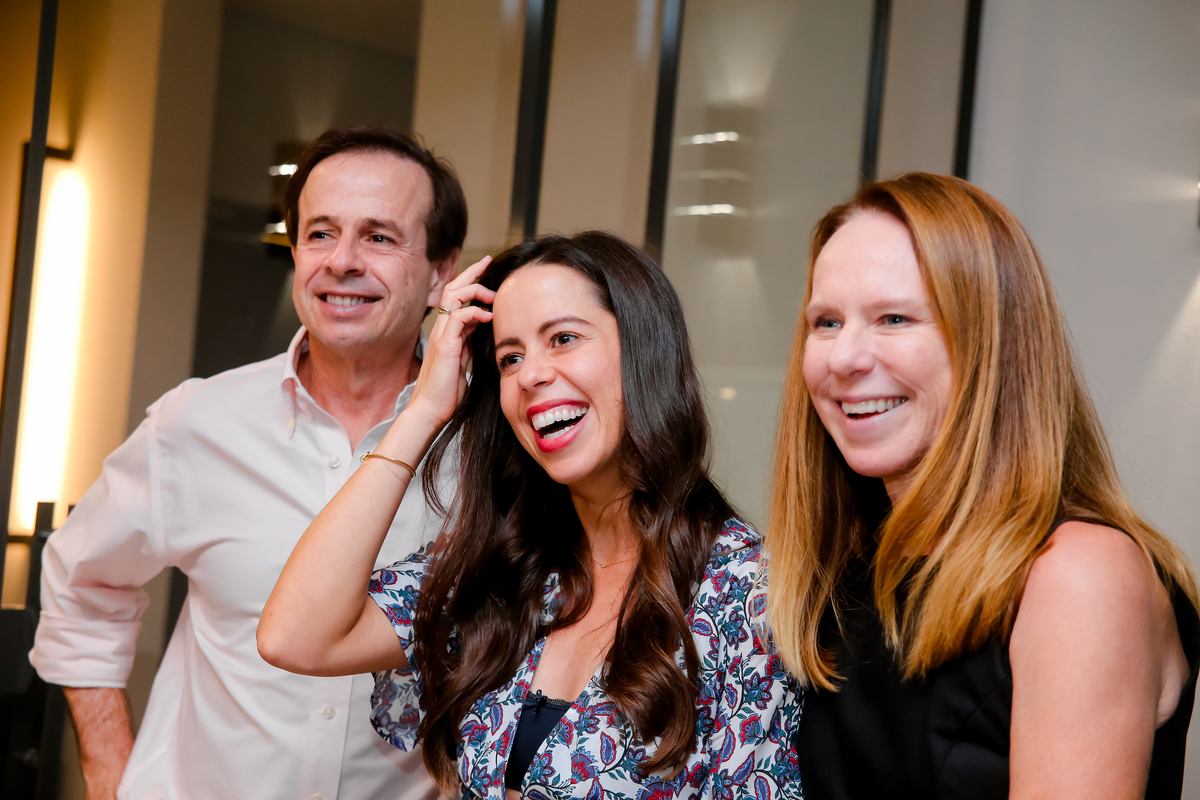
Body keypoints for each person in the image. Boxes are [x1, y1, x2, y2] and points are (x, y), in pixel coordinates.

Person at [257, 231, 803, 800]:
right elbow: (296, 636)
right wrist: (424, 409)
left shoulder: (744, 592)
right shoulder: (506, 567)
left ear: (645, 350)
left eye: (564, 338)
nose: (531, 375)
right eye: (510, 358)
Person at [30, 125, 466, 800]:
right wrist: (111, 773)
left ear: (441, 272)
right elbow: (79, 584)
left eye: (379, 237)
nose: (341, 261)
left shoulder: (489, 449)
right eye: (320, 233)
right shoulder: (197, 423)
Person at [766, 172, 1200, 799]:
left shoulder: (1076, 575)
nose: (843, 358)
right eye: (826, 322)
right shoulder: (839, 573)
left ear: (992, 343)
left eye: (894, 318)